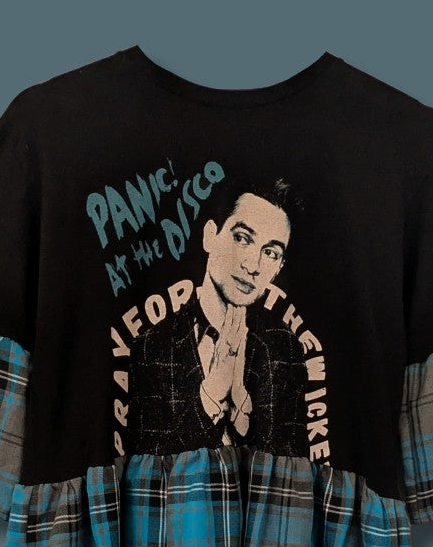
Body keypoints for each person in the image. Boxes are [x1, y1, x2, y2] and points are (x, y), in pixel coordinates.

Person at [128, 177, 309, 457]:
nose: (253, 265)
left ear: (279, 268)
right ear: (210, 236)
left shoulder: (285, 348)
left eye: (270, 253)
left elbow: (292, 473)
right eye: (242, 238)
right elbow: (148, 472)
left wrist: (241, 409)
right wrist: (211, 396)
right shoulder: (152, 347)